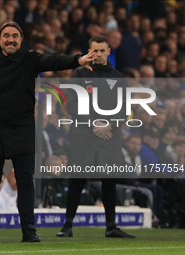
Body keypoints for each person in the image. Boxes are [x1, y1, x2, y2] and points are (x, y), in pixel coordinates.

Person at [0, 21, 95, 243]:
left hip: (22, 129)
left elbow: (54, 60)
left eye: (15, 35)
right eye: (6, 36)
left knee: (25, 182)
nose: (11, 39)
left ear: (21, 39)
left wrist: (77, 60)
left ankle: (28, 231)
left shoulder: (30, 59)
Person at [57, 36, 135, 238]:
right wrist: (94, 123)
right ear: (89, 52)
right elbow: (71, 105)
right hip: (84, 135)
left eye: (102, 50)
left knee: (109, 181)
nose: (98, 54)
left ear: (108, 51)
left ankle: (111, 227)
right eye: (95, 51)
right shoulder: (79, 74)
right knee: (77, 179)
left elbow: (125, 108)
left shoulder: (118, 77)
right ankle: (67, 227)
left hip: (109, 136)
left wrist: (109, 124)